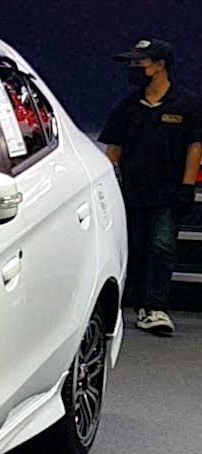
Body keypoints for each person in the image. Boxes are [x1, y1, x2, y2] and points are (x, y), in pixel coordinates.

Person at [100, 39, 202, 336]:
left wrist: (187, 187)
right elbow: (113, 148)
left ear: (160, 65)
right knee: (133, 247)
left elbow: (195, 147)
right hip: (130, 191)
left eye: (140, 62)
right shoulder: (128, 105)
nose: (134, 68)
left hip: (168, 192)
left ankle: (156, 306)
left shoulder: (187, 104)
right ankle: (130, 303)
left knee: (161, 247)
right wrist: (109, 183)